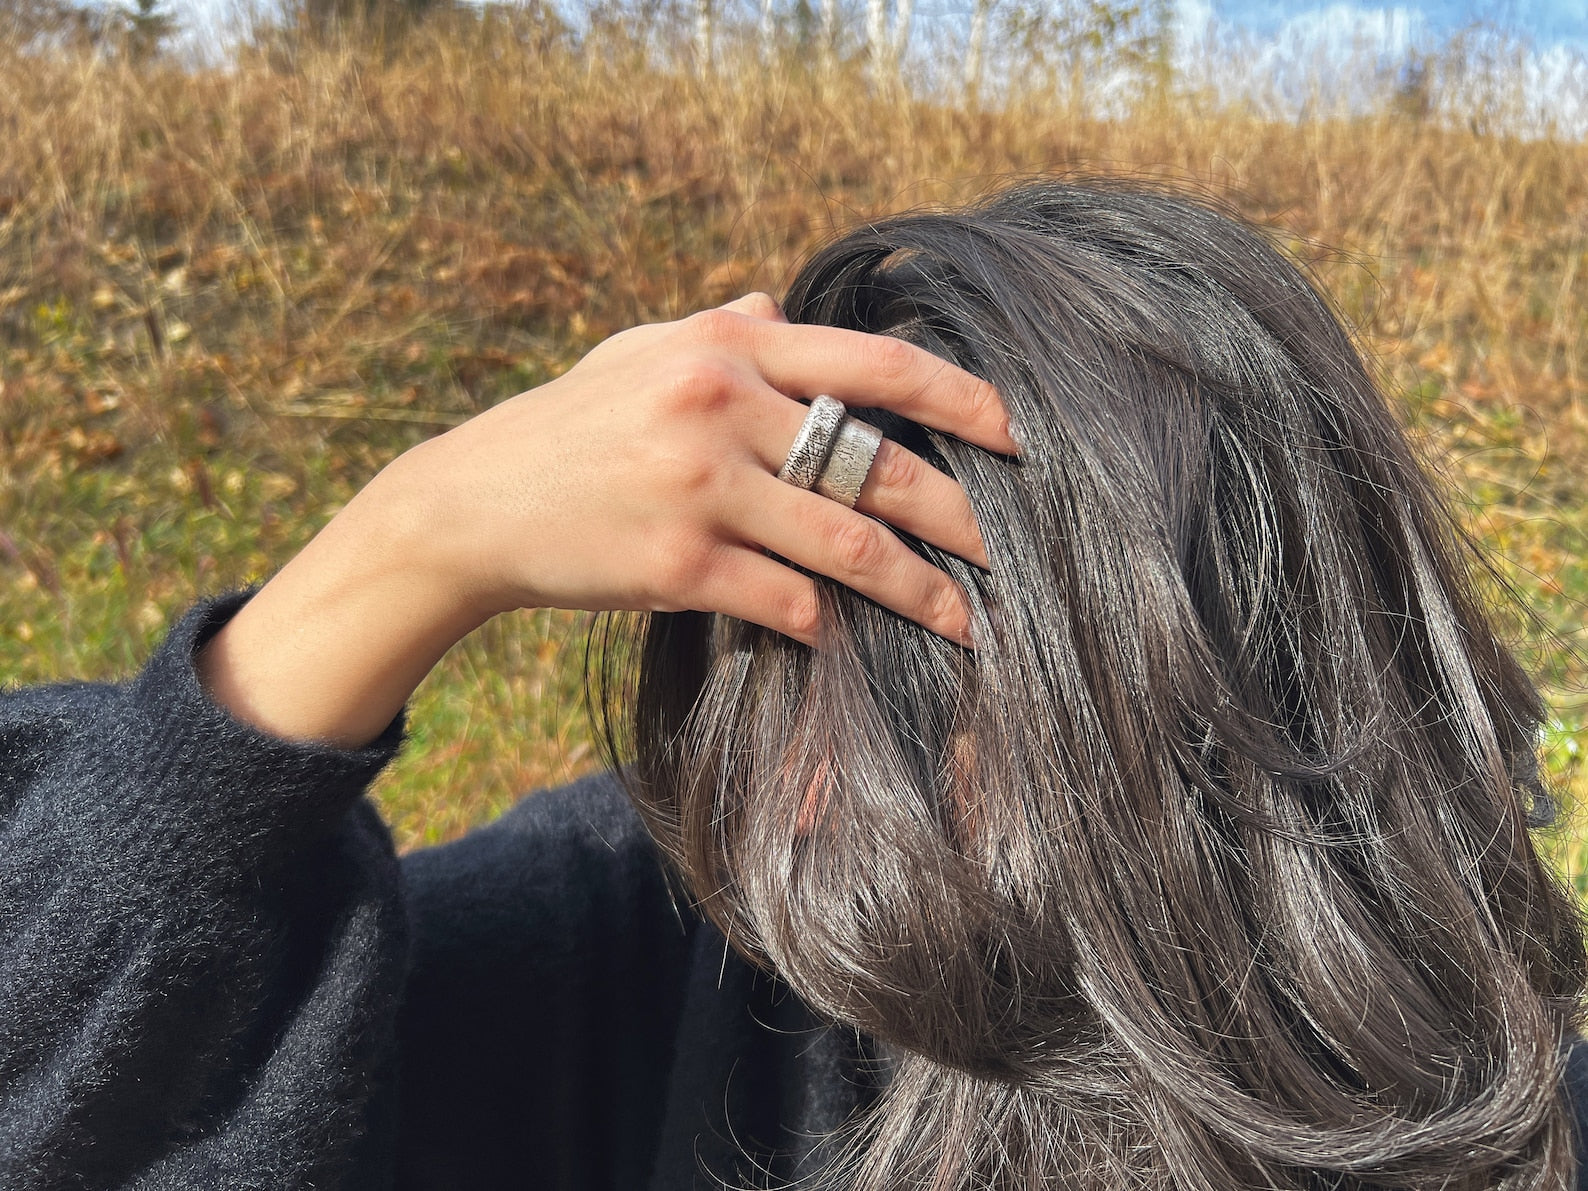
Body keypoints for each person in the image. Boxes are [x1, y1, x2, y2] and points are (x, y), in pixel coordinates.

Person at [0, 178, 1583, 1191]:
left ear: (1237, 692)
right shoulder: (653, 950)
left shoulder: (1516, 1103)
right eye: (781, 666)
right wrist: (404, 550)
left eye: (923, 681)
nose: (800, 802)